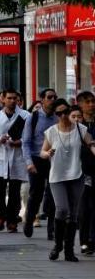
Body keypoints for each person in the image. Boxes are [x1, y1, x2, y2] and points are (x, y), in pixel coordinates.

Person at [39, 98, 88, 262]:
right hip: (57, 176)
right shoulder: (51, 131)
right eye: (59, 113)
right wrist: (47, 154)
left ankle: (68, 250)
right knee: (62, 209)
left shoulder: (80, 129)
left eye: (65, 112)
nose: (63, 116)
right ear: (55, 115)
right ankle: (57, 245)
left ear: (69, 111)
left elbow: (91, 144)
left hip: (77, 175)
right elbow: (42, 152)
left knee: (73, 213)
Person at [0, 89, 28, 232]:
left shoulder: (25, 116)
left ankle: (12, 219)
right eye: (9, 98)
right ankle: (0, 216)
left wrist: (20, 142)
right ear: (3, 99)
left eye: (15, 98)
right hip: (0, 158)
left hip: (17, 158)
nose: (12, 101)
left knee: (15, 191)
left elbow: (29, 136)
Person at [23, 88, 59, 240]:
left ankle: (52, 228)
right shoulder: (34, 117)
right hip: (37, 160)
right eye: (49, 97)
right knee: (35, 195)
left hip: (55, 161)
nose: (52, 100)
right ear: (42, 99)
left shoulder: (59, 117)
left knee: (53, 196)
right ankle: (29, 220)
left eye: (54, 97)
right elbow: (26, 142)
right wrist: (29, 163)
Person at [77, 90, 95, 255]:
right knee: (85, 207)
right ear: (80, 104)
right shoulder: (76, 124)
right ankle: (85, 240)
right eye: (87, 101)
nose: (91, 104)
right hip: (80, 170)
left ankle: (92, 239)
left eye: (92, 101)